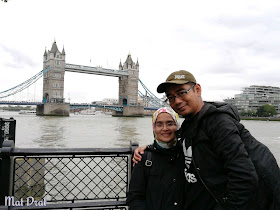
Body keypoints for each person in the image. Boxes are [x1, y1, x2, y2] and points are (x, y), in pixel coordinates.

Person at [133, 70, 280, 209]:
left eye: (181, 92)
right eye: (171, 97)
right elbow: (172, 146)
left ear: (197, 89)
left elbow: (244, 177)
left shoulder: (218, 123)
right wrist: (148, 148)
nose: (176, 101)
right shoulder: (188, 126)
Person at [127, 107, 185, 210]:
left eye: (170, 123)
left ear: (177, 126)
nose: (164, 128)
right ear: (154, 128)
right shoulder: (144, 157)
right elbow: (135, 197)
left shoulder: (187, 153)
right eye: (159, 124)